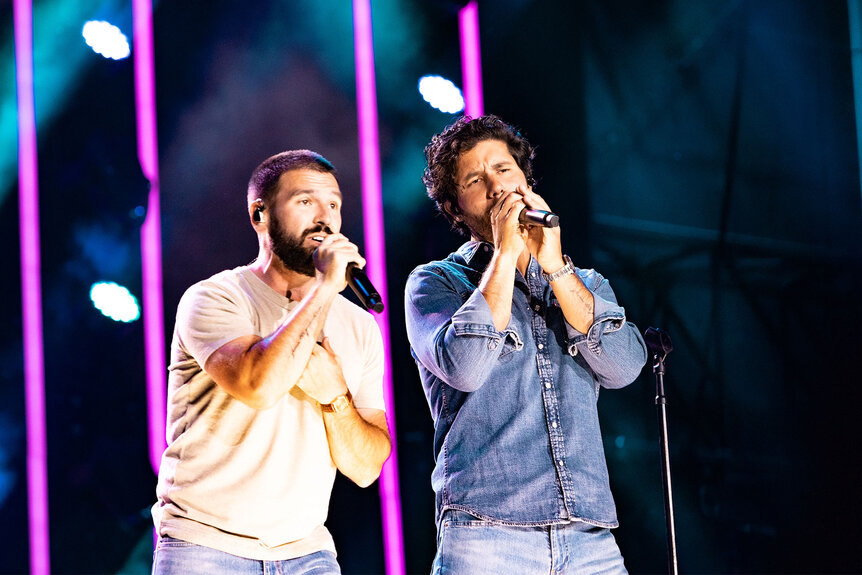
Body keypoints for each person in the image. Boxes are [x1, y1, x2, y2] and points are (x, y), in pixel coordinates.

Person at [405, 115, 647, 574]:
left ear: (526, 181)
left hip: (588, 536)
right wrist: (503, 253)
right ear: (456, 208)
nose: (497, 187)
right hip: (486, 534)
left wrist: (554, 266)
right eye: (476, 179)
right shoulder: (436, 283)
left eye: (504, 170)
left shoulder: (584, 283)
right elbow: (467, 367)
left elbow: (625, 367)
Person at [151, 150, 392, 574]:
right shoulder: (215, 298)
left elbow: (367, 467)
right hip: (205, 548)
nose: (325, 217)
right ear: (259, 214)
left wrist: (336, 396)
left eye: (333, 204)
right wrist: (325, 288)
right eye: (305, 201)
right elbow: (257, 386)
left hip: (308, 554)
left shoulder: (359, 327)